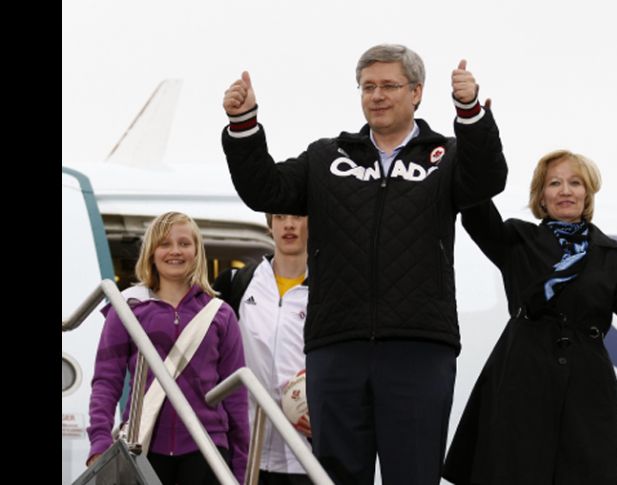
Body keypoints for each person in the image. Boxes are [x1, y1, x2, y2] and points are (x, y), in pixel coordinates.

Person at [221, 44, 507, 484]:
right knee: (334, 475)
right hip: (336, 346)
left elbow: (488, 179)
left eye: (389, 85)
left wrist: (469, 112)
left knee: (412, 473)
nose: (377, 95)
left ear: (416, 92)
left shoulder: (445, 156)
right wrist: (244, 125)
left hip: (419, 346)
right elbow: (266, 190)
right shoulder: (326, 157)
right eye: (368, 86)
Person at [442, 150, 617, 485]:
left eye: (575, 182)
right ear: (541, 195)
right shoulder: (517, 239)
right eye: (555, 183)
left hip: (587, 385)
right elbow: (476, 211)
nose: (565, 190)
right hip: (523, 375)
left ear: (587, 193)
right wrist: (471, 138)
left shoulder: (614, 254)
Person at [86, 211, 249, 485]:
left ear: (197, 251)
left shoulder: (220, 314)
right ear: (151, 252)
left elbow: (236, 396)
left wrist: (241, 467)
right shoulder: (127, 308)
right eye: (165, 244)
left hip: (207, 448)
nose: (175, 251)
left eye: (184, 243)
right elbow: (106, 382)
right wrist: (99, 442)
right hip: (144, 445)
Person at [214, 213, 312, 485]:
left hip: (304, 459)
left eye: (298, 216)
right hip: (242, 455)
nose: (289, 225)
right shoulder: (237, 283)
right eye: (280, 217)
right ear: (270, 225)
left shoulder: (330, 291)